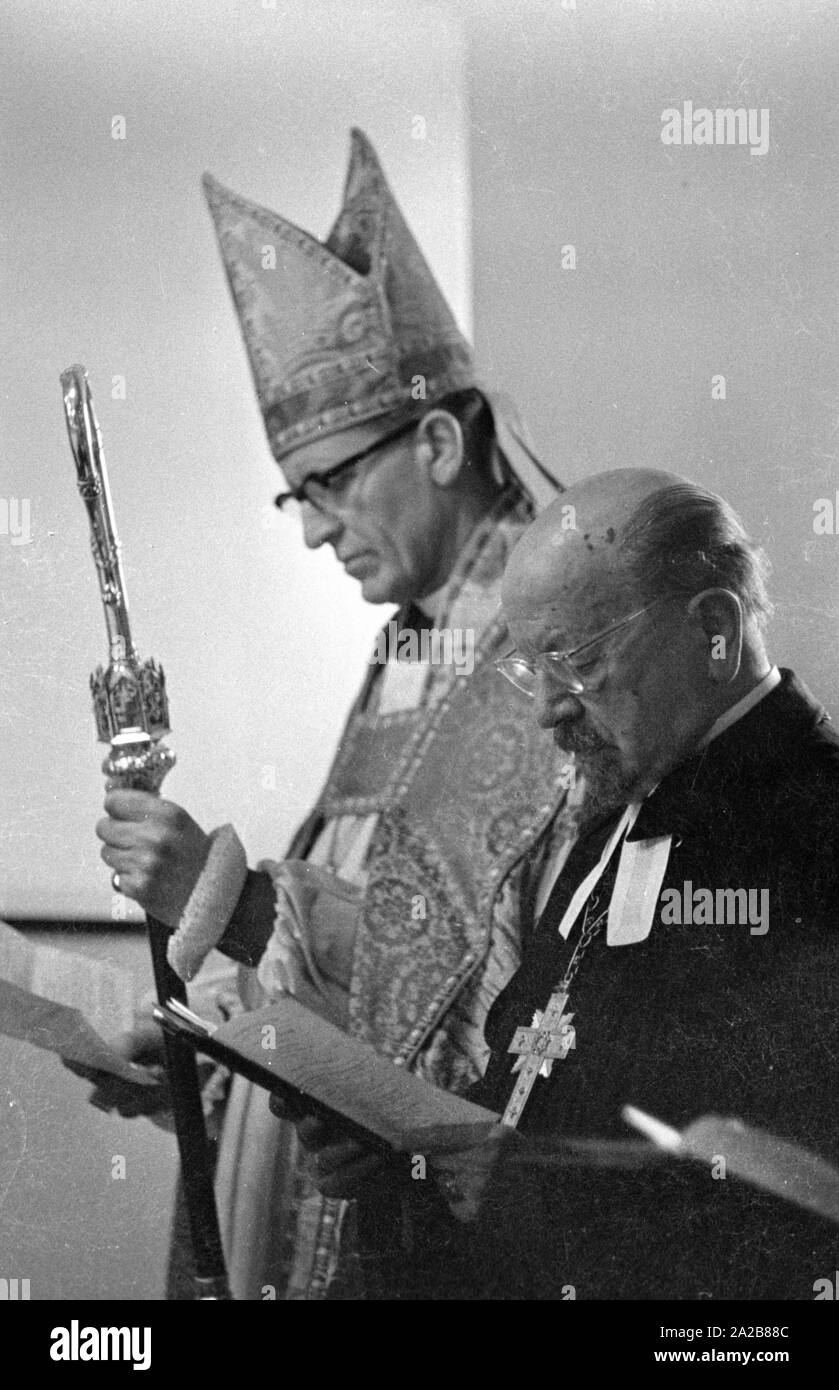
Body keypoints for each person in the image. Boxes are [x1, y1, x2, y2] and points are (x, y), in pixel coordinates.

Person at [93, 129, 580, 1300]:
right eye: (294, 494)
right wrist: (212, 1046)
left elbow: (496, 983)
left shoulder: (547, 644)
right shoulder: (413, 637)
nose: (312, 528)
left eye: (329, 485)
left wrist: (242, 904)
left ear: (437, 439)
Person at [294, 467, 839, 1300]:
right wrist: (398, 1159)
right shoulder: (621, 805)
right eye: (528, 668)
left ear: (715, 628)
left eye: (575, 659)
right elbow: (528, 1081)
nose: (547, 709)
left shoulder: (815, 832)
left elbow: (791, 1192)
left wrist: (539, 1192)